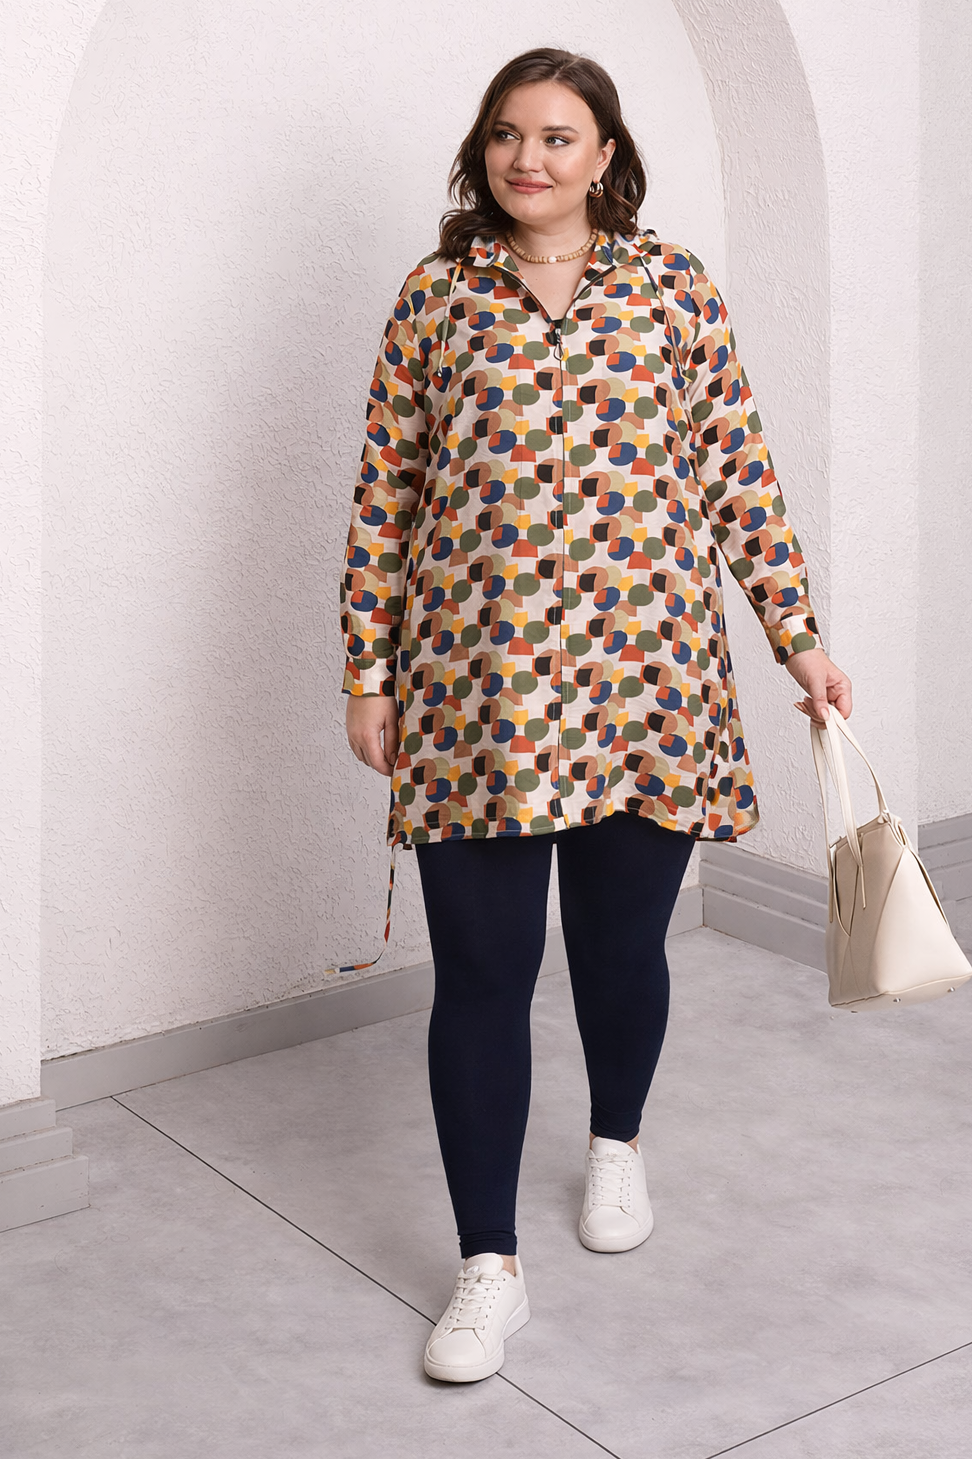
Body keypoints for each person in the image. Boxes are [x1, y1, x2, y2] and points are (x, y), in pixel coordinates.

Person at [340, 47, 852, 1384]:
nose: (529, 159)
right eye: (508, 134)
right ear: (484, 150)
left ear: (605, 155)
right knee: (483, 976)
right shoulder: (437, 297)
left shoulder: (674, 287)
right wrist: (366, 671)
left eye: (558, 136)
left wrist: (798, 640)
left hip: (648, 680)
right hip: (480, 694)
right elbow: (386, 492)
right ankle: (487, 1267)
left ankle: (616, 1140)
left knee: (621, 955)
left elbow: (738, 470)